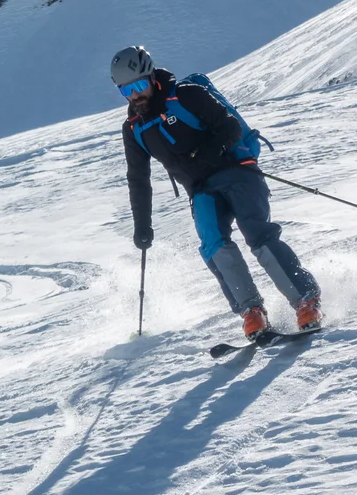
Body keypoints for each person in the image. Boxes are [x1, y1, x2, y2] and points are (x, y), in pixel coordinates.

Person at [113, 45, 320, 339]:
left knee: (257, 233)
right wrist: (142, 225)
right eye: (126, 91)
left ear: (150, 77)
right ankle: (251, 310)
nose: (134, 96)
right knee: (212, 241)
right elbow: (138, 179)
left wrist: (209, 153)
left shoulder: (187, 95)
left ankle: (305, 300)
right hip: (201, 190)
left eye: (137, 86)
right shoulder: (134, 128)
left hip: (237, 172)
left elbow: (230, 126)